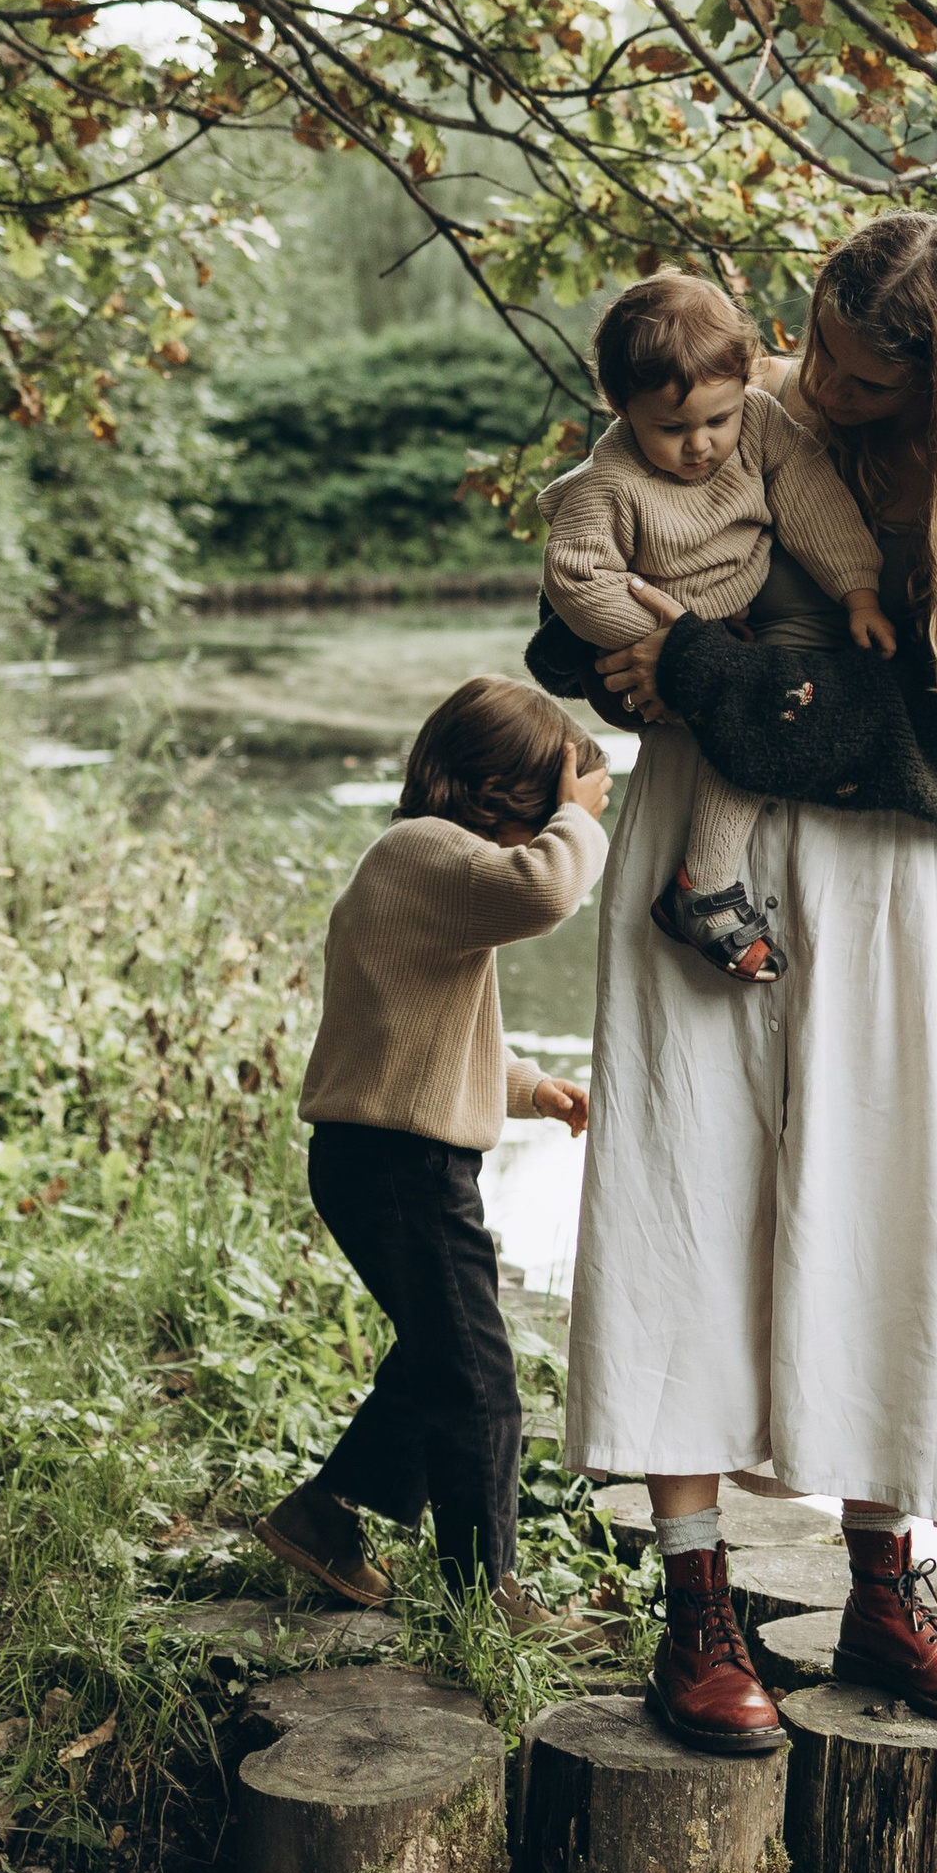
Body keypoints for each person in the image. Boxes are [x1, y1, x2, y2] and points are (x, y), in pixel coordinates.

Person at [531, 212, 937, 1755]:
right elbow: (567, 614)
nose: (823, 393)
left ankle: (880, 1587)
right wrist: (629, 658)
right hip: (693, 839)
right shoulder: (744, 413)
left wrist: (715, 673)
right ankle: (697, 1604)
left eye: (862, 384)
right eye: (824, 357)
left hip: (871, 866)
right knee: (682, 1182)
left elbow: (924, 745)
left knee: (877, 1208)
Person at [254, 677, 606, 1613]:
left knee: (440, 1356)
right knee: (478, 1378)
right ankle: (482, 1595)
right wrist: (581, 820)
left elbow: (424, 1042)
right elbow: (548, 893)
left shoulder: (421, 867)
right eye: (545, 808)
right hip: (398, 1163)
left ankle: (322, 1516)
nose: (545, 835)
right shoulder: (423, 853)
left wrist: (533, 1088)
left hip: (388, 1156)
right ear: (505, 795)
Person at [538, 269, 894, 987]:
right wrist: (670, 648)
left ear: (742, 389)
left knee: (769, 711)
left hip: (746, 629)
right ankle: (704, 890)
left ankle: (702, 883)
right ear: (622, 407)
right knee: (734, 722)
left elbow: (811, 495)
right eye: (671, 428)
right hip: (659, 625)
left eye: (716, 420)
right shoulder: (610, 482)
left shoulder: (762, 423)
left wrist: (858, 592)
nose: (700, 445)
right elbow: (576, 577)